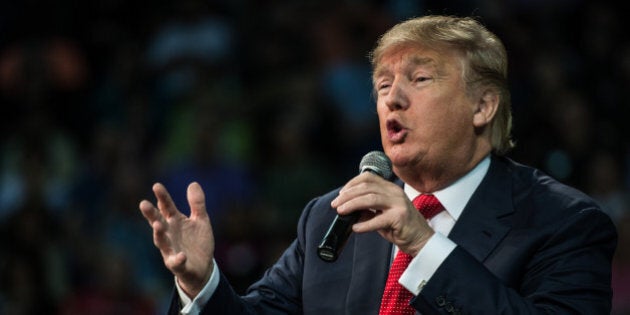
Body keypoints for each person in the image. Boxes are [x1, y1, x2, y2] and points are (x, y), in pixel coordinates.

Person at [139, 15, 617, 314]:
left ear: (483, 106)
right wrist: (199, 285)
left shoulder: (564, 223)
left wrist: (422, 245)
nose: (394, 99)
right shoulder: (332, 218)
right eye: (383, 85)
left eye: (420, 78)